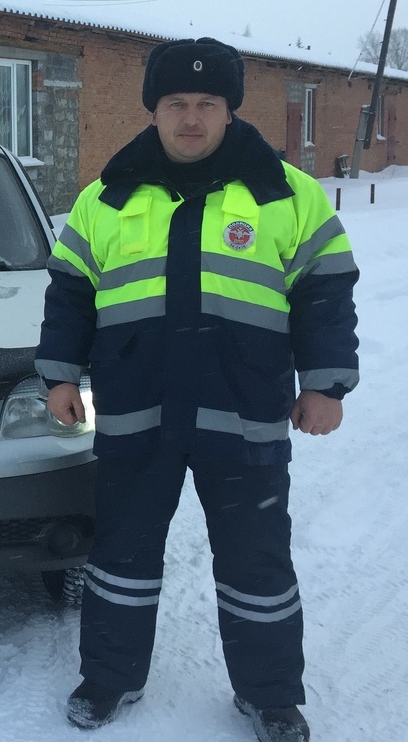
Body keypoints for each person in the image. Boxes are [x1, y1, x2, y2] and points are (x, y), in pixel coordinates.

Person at [35, 38, 359, 742]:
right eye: (175, 103)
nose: (190, 117)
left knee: (256, 560)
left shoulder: (282, 192)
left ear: (228, 109)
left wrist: (326, 383)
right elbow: (68, 295)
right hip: (135, 410)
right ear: (153, 109)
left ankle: (271, 695)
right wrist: (60, 374)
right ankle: (110, 678)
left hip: (245, 413)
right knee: (121, 552)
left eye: (206, 104)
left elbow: (326, 291)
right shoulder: (107, 196)